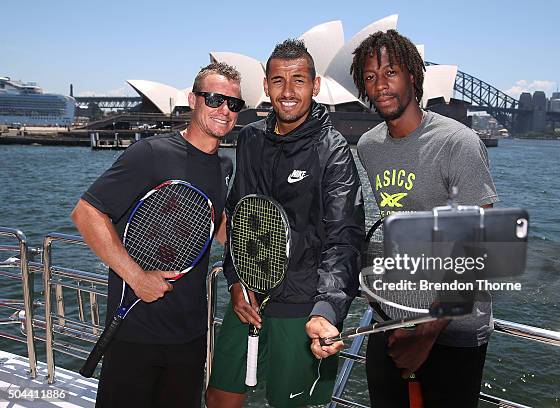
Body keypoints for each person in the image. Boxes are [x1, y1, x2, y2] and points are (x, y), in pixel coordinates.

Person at [71, 62, 244, 408]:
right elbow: (86, 213)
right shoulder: (150, 153)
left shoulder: (224, 165)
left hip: (191, 334)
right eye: (214, 99)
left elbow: (213, 220)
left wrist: (250, 261)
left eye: (233, 104)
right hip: (136, 332)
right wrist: (136, 277)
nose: (224, 110)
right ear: (193, 100)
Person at [206, 39, 365, 408]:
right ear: (265, 86)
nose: (288, 91)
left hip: (303, 306)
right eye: (278, 81)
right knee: (219, 396)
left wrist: (326, 310)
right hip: (249, 298)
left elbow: (344, 239)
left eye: (299, 80)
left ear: (316, 85)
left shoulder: (333, 149)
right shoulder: (249, 139)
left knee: (288, 403)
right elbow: (238, 217)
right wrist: (234, 280)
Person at [350, 30, 499, 407]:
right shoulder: (369, 146)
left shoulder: (458, 143)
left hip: (451, 331)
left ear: (413, 76)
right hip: (391, 321)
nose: (380, 85)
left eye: (391, 72)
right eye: (370, 77)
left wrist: (429, 333)